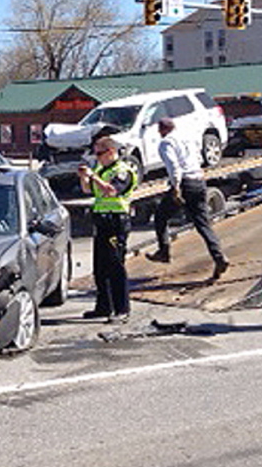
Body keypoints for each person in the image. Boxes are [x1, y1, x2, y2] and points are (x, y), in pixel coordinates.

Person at [149, 117, 228, 280]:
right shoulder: (187, 139)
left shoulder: (166, 143)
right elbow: (199, 159)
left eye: (159, 129)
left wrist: (176, 187)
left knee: (160, 217)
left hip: (184, 184)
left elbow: (173, 166)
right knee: (203, 224)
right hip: (198, 181)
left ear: (163, 129)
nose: (158, 133)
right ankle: (219, 256)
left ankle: (164, 252)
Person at [77, 133, 138, 324]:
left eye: (100, 154)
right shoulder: (102, 170)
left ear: (111, 151)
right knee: (100, 268)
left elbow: (111, 190)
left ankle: (122, 309)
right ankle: (104, 306)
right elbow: (89, 191)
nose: (97, 158)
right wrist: (84, 178)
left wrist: (93, 176)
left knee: (115, 267)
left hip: (116, 222)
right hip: (102, 222)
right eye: (95, 154)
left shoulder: (122, 171)